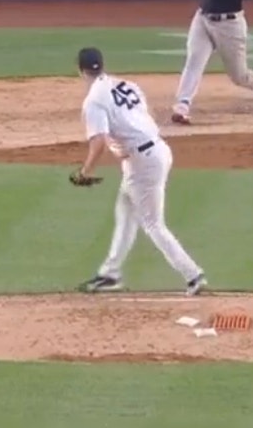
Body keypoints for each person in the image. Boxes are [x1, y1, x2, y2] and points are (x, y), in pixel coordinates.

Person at [71, 47, 209, 297]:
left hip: (142, 161)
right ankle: (110, 273)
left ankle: (193, 274)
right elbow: (142, 116)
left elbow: (98, 142)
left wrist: (84, 172)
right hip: (155, 150)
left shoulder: (93, 101)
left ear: (80, 71)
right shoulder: (125, 84)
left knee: (152, 223)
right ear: (101, 65)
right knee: (125, 211)